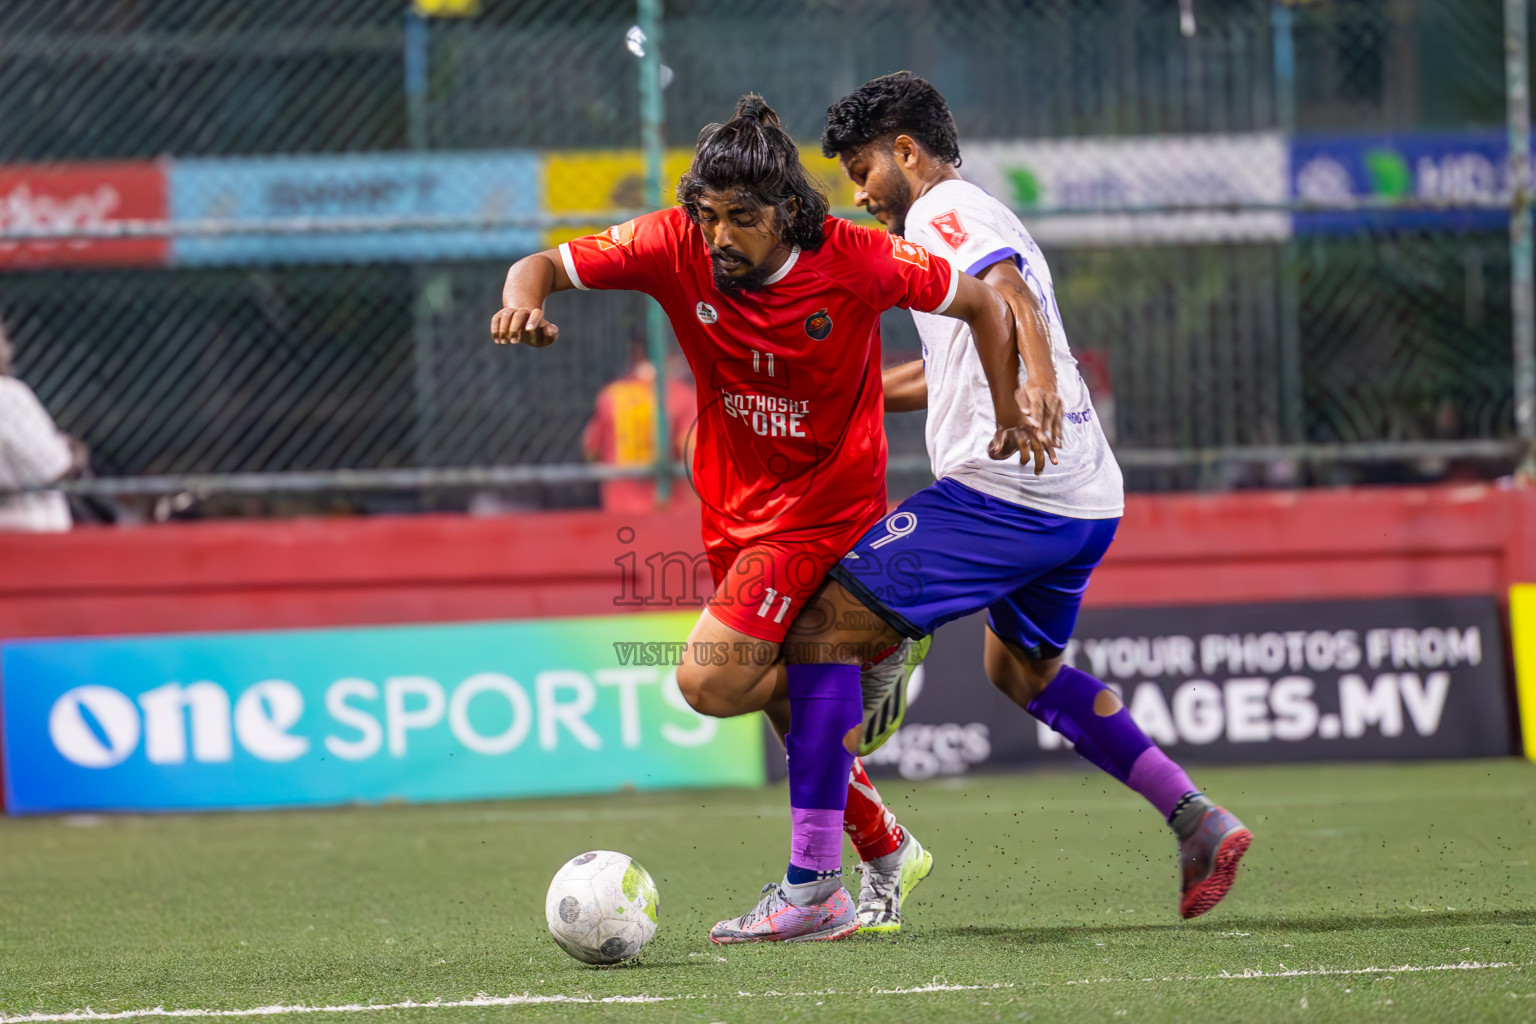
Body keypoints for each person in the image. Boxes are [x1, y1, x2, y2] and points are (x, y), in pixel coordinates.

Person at [492, 94, 1039, 943]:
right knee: (797, 705)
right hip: (733, 513)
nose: (719, 237)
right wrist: (522, 304)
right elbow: (540, 266)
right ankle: (882, 847)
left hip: (828, 514)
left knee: (709, 682)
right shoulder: (669, 243)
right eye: (707, 217)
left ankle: (822, 869)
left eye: (741, 219)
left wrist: (1007, 410)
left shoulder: (858, 258)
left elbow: (985, 306)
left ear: (788, 209)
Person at [775, 71, 1252, 925]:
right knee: (1021, 670)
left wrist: (1028, 389)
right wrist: (847, 394)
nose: (858, 192)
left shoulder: (939, 213)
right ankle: (1194, 816)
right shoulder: (984, 214)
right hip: (1083, 499)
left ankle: (813, 887)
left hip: (1009, 491)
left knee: (819, 635)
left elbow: (1011, 297)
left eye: (861, 169)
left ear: (907, 153)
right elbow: (955, 360)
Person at [582, 345, 697, 514]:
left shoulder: (612, 394)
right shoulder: (681, 395)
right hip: (670, 509)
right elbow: (693, 453)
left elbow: (590, 449)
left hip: (619, 507)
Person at [0, 322, 86, 532]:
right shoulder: (8, 396)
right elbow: (53, 468)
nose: (9, 347)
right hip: (31, 535)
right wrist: (74, 453)